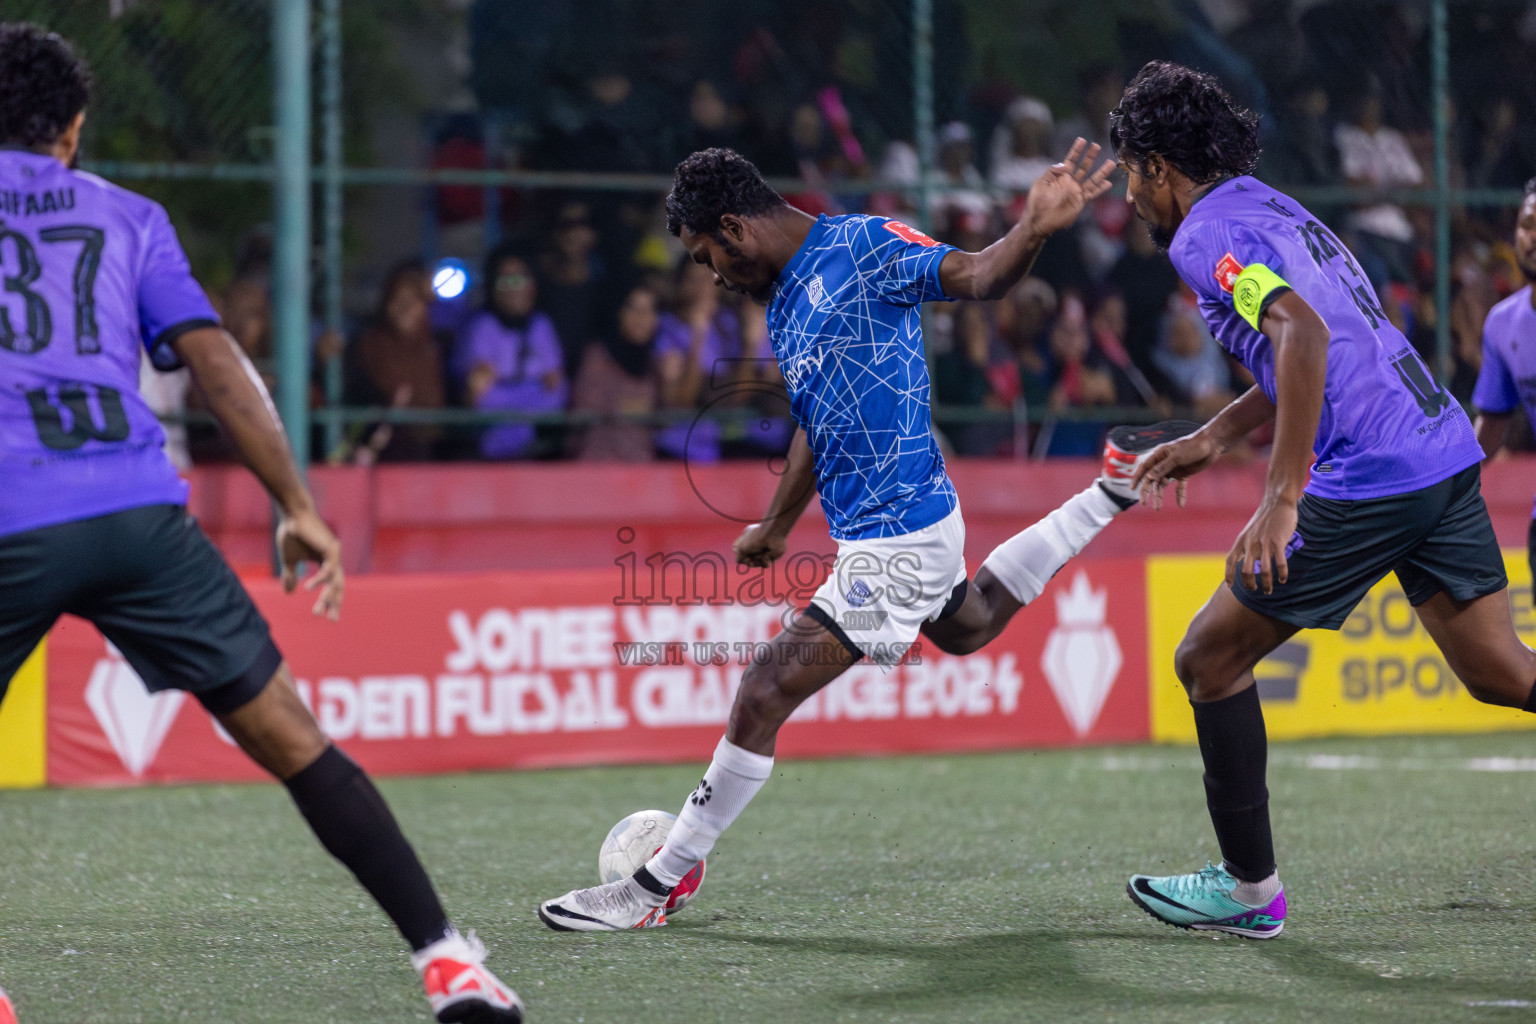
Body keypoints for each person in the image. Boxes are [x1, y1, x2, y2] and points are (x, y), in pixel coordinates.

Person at [0, 25, 521, 1022]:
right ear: (71, 129)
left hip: (9, 515)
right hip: (135, 512)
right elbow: (220, 364)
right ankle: (448, 961)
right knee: (291, 734)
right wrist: (297, 504)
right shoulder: (129, 215)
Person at [538, 142, 1185, 932]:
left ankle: (650, 887)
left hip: (898, 536)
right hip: (888, 533)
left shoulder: (866, 247)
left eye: (707, 255)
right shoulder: (780, 302)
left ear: (734, 229)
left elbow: (981, 275)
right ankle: (1111, 490)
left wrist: (1035, 230)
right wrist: (777, 524)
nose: (710, 273)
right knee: (970, 622)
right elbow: (818, 416)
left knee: (764, 689)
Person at [1112, 61, 1536, 940]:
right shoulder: (1271, 207)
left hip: (1371, 471)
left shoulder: (1201, 236)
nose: (1128, 194)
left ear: (1158, 167)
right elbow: (1318, 340)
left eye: (1129, 172)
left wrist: (1282, 495)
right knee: (1505, 674)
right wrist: (1212, 438)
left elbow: (1300, 334)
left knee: (1208, 661)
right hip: (1440, 447)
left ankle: (1246, 890)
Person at [1471, 179, 1536, 597]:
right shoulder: (1502, 323)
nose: (1533, 236)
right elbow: (1492, 425)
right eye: (1528, 224)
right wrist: (1443, 487)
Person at [455, 245, 567, 460]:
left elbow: (557, 393)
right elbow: (479, 398)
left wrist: (510, 397)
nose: (513, 287)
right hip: (486, 448)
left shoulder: (541, 325)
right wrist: (531, 391)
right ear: (492, 287)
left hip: (540, 448)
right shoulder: (481, 327)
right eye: (505, 280)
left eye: (521, 278)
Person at [343, 261, 449, 463]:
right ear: (385, 303)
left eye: (414, 300)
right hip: (377, 456)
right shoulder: (366, 346)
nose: (405, 308)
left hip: (432, 463)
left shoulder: (438, 350)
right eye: (397, 299)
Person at [567, 284, 663, 462]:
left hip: (642, 471)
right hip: (597, 467)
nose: (641, 317)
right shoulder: (596, 357)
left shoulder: (655, 361)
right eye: (633, 308)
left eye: (648, 310)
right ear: (618, 312)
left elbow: (667, 419)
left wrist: (668, 381)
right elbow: (586, 411)